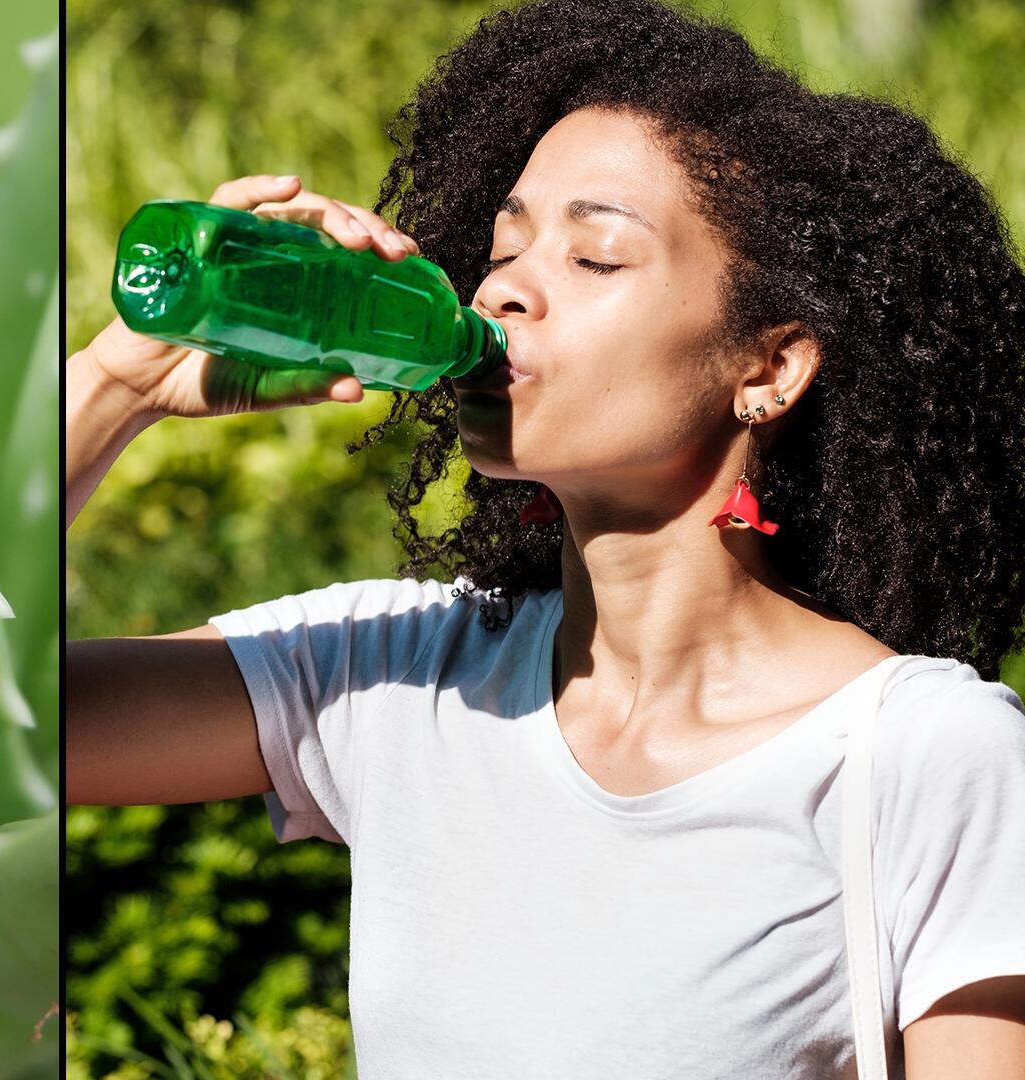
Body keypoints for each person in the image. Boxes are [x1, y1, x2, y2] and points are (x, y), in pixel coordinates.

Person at [64, 0, 1025, 1074]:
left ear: (767, 368)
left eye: (597, 258)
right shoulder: (397, 675)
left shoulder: (922, 752)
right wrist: (114, 386)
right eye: (505, 244)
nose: (502, 288)